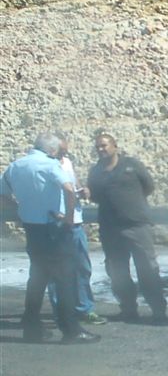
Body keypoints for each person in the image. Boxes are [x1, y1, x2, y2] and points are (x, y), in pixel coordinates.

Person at [0, 133, 100, 344]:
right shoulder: (50, 164)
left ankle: (31, 327)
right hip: (54, 228)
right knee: (64, 279)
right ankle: (71, 329)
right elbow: (68, 189)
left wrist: (20, 209)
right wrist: (70, 218)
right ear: (52, 150)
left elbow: (2, 193)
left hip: (32, 228)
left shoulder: (16, 166)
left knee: (37, 279)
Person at [87, 133, 167, 323]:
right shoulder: (96, 171)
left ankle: (158, 310)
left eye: (104, 145)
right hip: (110, 228)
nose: (101, 149)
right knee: (117, 271)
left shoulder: (131, 165)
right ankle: (128, 308)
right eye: (98, 147)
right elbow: (95, 196)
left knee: (147, 268)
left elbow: (148, 186)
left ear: (115, 146)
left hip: (136, 225)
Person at [47, 138, 106, 325]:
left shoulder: (67, 162)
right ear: (51, 149)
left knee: (82, 267)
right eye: (62, 151)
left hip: (76, 223)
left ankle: (85, 308)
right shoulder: (44, 166)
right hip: (55, 223)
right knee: (56, 271)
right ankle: (61, 313)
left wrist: (83, 189)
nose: (65, 155)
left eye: (66, 152)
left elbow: (74, 183)